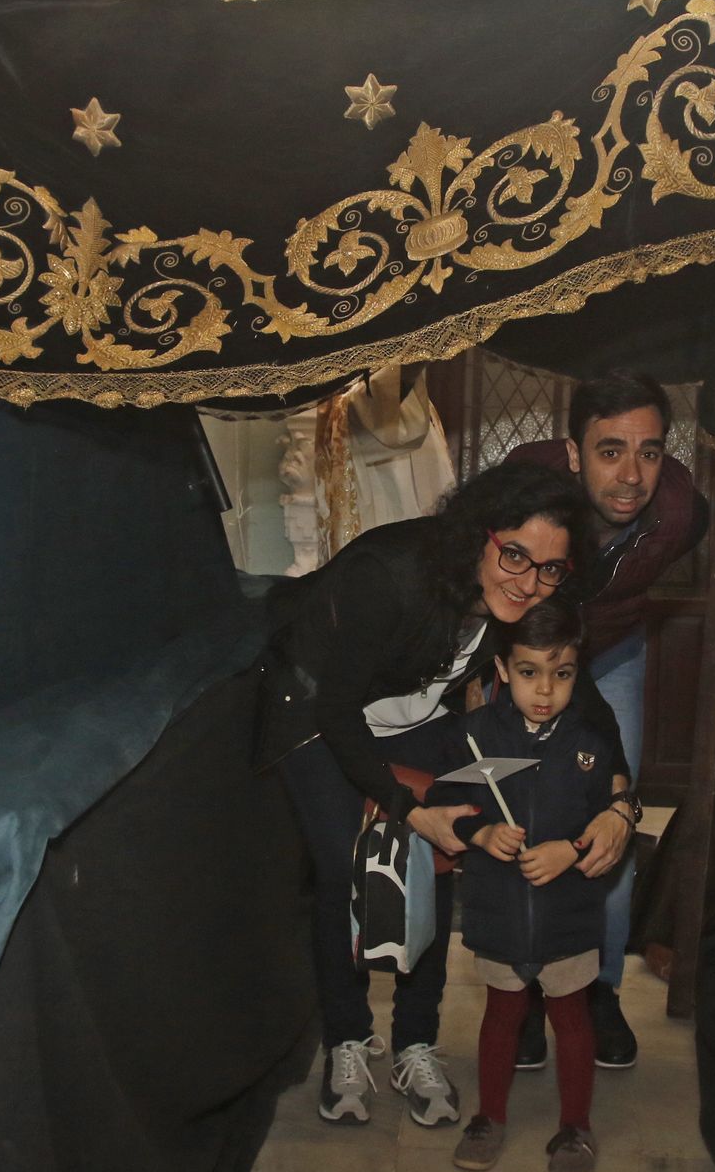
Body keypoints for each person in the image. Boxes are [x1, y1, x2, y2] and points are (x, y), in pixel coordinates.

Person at [256, 462, 637, 1128]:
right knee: (346, 864)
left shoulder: (535, 591)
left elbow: (590, 703)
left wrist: (620, 800)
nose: (527, 582)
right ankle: (347, 1037)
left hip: (416, 715)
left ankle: (414, 1044)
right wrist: (407, 808)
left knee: (437, 862)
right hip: (316, 709)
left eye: (550, 568)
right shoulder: (391, 574)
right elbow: (339, 709)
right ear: (480, 536)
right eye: (515, 555)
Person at [506, 369, 709, 1068]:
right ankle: (527, 992)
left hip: (614, 654)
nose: (632, 475)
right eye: (611, 450)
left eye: (650, 452)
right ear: (572, 452)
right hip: (528, 658)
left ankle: (598, 990)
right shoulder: (525, 482)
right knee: (527, 818)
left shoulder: (681, 514)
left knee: (612, 815)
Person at [431, 598, 614, 1172]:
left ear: (576, 673)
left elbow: (608, 820)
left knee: (573, 1019)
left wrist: (573, 850)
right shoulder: (473, 737)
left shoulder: (590, 744)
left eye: (561, 675)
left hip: (568, 914)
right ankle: (489, 1117)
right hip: (501, 911)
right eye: (529, 672)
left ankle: (576, 1127)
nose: (544, 690)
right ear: (503, 670)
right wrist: (481, 832)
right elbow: (444, 811)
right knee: (501, 1015)